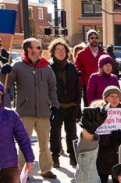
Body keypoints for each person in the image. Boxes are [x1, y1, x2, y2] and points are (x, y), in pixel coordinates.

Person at [0, 37, 58, 179]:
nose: (40, 50)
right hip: (25, 112)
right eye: (37, 47)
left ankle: (46, 169)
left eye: (40, 47)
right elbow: (5, 84)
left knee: (44, 143)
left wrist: (55, 105)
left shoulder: (46, 67)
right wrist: (3, 72)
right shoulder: (17, 66)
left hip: (43, 111)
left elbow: (52, 88)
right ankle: (21, 170)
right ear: (29, 49)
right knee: (23, 142)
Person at [94, 86, 121, 183]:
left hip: (118, 158)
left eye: (117, 96)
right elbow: (93, 137)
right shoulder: (98, 114)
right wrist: (108, 139)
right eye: (112, 96)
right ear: (105, 98)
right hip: (102, 158)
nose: (115, 99)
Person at [48, 38, 81, 168]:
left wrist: (77, 105)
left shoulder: (72, 67)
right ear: (53, 52)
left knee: (72, 134)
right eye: (58, 50)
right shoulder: (49, 68)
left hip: (71, 106)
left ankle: (73, 157)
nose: (61, 52)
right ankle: (55, 157)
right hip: (56, 107)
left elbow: (78, 88)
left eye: (63, 50)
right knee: (55, 134)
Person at [75, 30, 103, 103]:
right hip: (87, 86)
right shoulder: (81, 54)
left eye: (96, 38)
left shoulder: (103, 54)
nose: (94, 39)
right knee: (89, 110)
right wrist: (83, 82)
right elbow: (77, 69)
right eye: (92, 38)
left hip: (102, 86)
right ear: (88, 40)